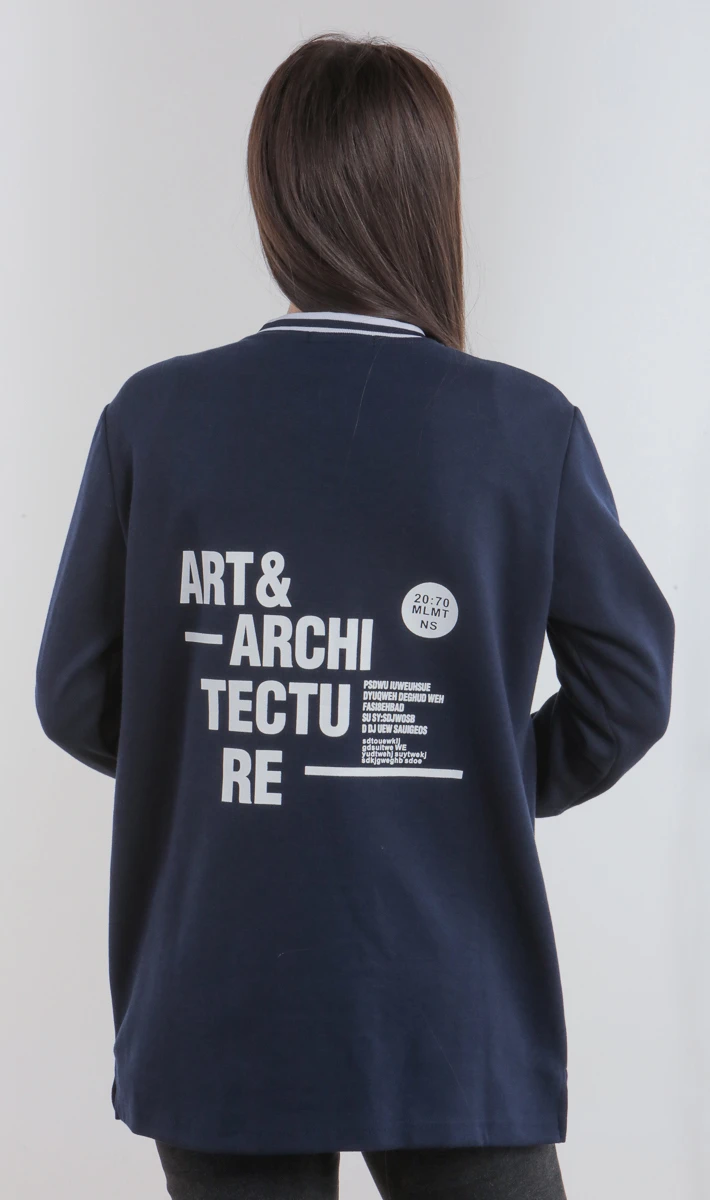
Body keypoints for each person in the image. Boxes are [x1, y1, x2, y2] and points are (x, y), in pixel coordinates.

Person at [34, 31, 675, 1200]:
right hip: (447, 999)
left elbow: (75, 695)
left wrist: (240, 752)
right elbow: (627, 688)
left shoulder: (153, 419)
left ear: (275, 197)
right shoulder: (521, 427)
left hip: (221, 994)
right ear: (431, 199)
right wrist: (456, 783)